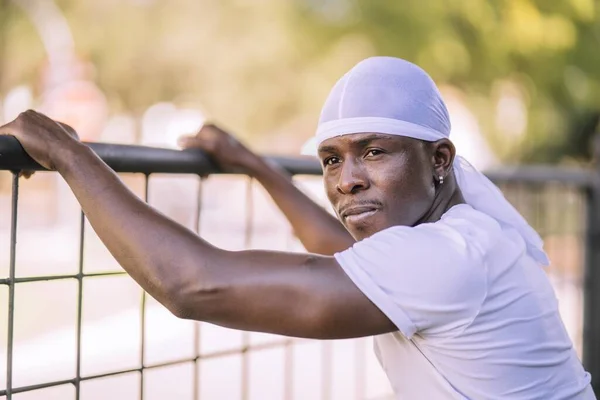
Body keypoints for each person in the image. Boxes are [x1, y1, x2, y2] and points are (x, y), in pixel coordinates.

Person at [1, 57, 595, 399]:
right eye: (332, 158)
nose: (346, 180)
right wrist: (257, 165)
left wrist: (66, 153)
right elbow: (339, 250)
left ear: (440, 159)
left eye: (374, 151)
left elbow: (193, 284)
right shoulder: (458, 234)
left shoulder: (450, 256)